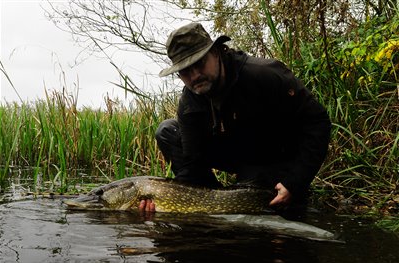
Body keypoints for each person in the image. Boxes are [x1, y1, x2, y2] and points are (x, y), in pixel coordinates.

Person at [140, 22, 331, 213]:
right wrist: (173, 200)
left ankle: (261, 192)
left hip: (273, 155)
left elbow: (317, 122)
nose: (194, 75)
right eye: (185, 71)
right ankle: (213, 202)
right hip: (236, 152)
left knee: (270, 203)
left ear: (216, 52)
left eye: (199, 63)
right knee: (167, 131)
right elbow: (192, 163)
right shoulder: (190, 102)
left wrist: (296, 181)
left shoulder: (264, 75)